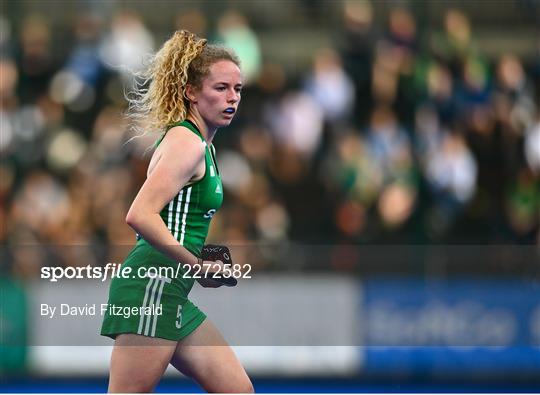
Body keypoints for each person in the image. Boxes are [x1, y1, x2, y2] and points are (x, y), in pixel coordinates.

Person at [100, 30, 253, 393]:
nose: (232, 98)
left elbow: (174, 221)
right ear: (191, 92)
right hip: (152, 288)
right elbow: (140, 215)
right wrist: (195, 265)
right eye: (220, 88)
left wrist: (199, 265)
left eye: (238, 89)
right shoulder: (188, 144)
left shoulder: (200, 144)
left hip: (172, 291)